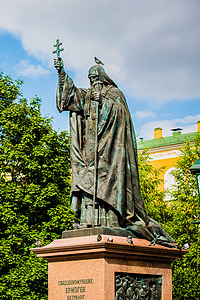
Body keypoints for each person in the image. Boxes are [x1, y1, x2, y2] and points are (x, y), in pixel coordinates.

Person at [54, 57, 175, 247]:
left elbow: (119, 114)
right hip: (91, 150)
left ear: (103, 78)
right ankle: (89, 221)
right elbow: (72, 99)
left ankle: (111, 220)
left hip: (111, 153)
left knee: (110, 184)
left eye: (96, 79)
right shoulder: (88, 94)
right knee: (88, 180)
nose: (93, 83)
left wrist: (102, 101)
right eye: (90, 79)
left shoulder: (115, 93)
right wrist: (62, 75)